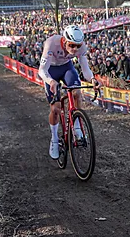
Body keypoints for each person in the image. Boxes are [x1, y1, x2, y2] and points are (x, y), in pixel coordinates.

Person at [38, 25, 98, 160]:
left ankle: (77, 126)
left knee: (77, 92)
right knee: (56, 109)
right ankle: (54, 138)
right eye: (72, 45)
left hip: (66, 68)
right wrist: (51, 82)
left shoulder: (81, 47)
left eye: (78, 46)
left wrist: (93, 79)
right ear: (64, 41)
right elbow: (42, 71)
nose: (74, 49)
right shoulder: (51, 43)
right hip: (50, 70)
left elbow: (85, 68)